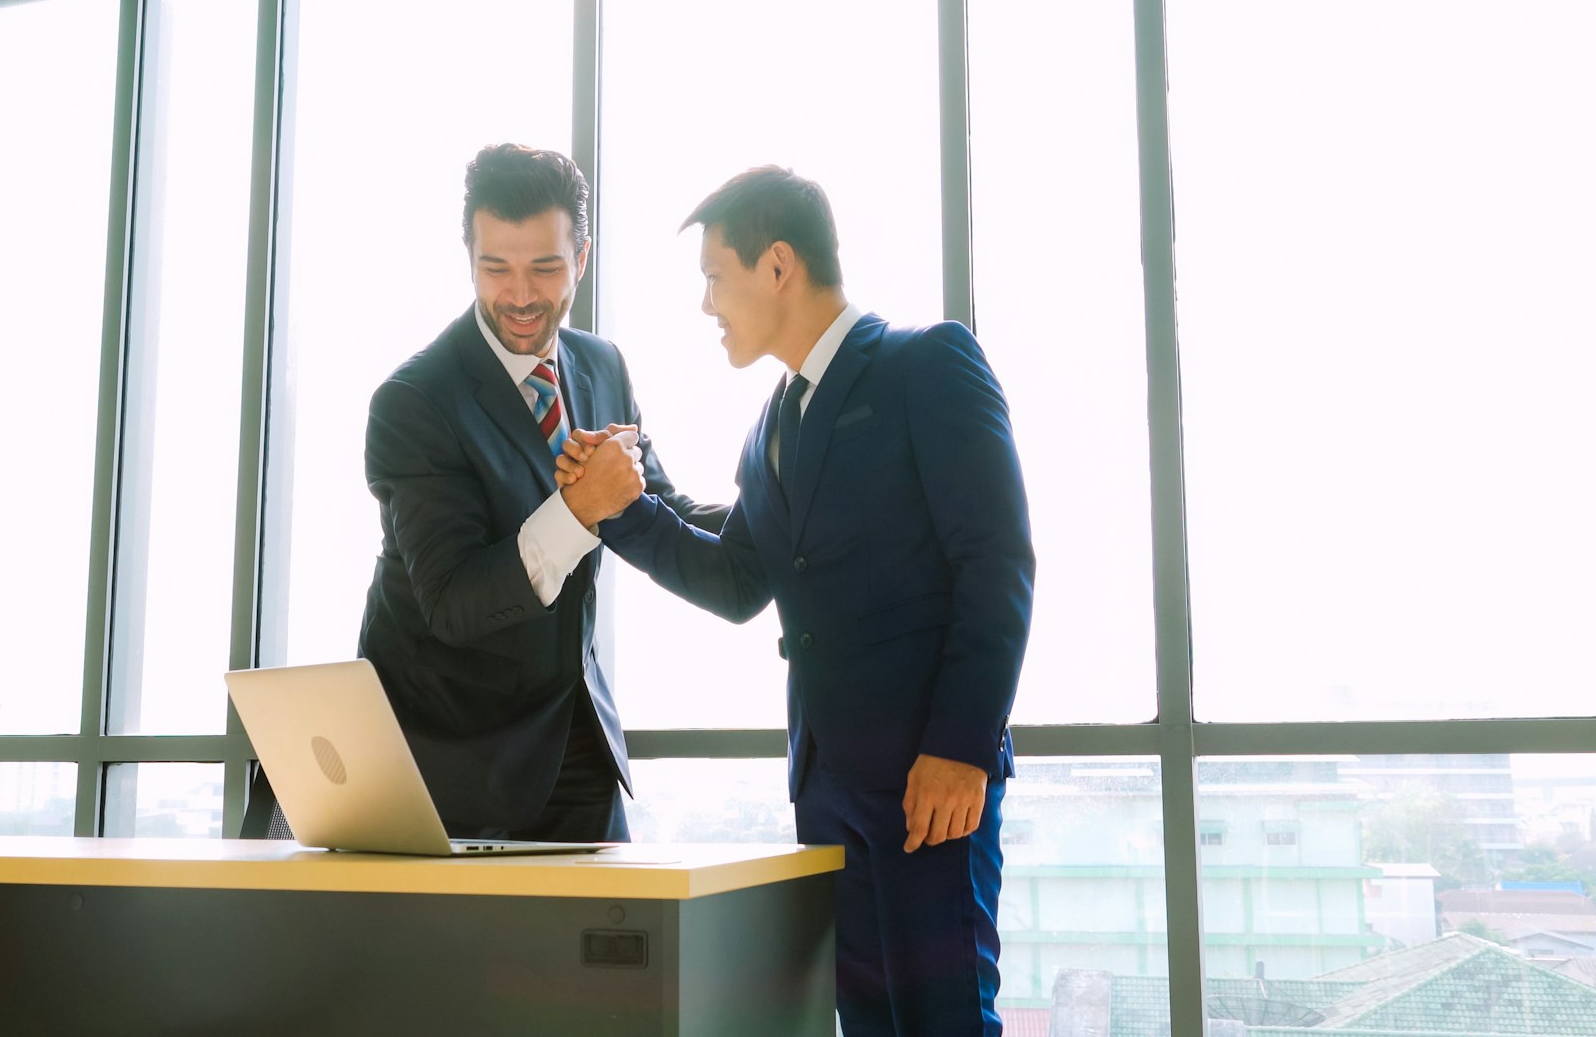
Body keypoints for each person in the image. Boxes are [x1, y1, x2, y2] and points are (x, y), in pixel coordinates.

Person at [558, 166, 1033, 1034]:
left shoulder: (926, 362)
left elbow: (997, 561)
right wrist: (619, 513)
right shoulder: (768, 428)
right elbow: (740, 582)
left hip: (933, 782)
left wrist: (961, 748)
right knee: (869, 1022)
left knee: (947, 1020)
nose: (707, 304)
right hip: (829, 790)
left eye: (714, 276)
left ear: (777, 265)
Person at [264, 143, 726, 844]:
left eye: (544, 267)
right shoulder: (416, 401)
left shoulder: (601, 367)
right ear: (468, 257)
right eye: (495, 267)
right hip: (448, 765)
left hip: (574, 741)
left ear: (582, 257)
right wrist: (575, 511)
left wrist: (790, 515)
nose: (518, 294)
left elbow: (654, 508)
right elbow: (451, 601)